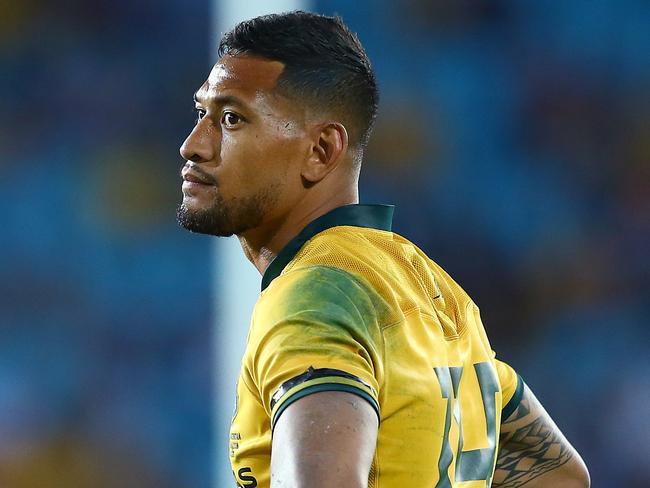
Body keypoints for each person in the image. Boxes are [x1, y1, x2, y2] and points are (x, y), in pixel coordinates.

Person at [177, 11, 590, 488]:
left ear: (321, 150)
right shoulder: (433, 290)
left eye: (231, 119)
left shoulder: (315, 296)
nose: (194, 145)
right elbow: (557, 474)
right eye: (200, 113)